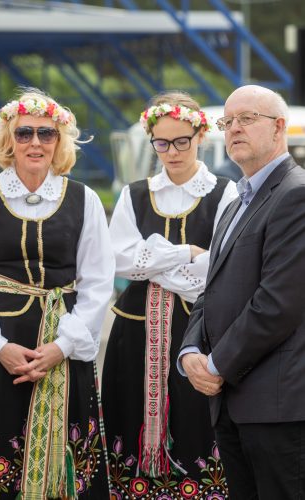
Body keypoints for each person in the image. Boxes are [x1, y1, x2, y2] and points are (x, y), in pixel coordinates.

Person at [0, 88, 115, 499]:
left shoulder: (83, 199)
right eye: (24, 134)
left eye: (46, 134)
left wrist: (63, 345)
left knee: (65, 466)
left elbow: (97, 283)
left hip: (61, 346)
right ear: (8, 141)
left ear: (60, 142)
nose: (35, 142)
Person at [102, 91, 238, 499]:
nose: (172, 151)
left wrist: (158, 261)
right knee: (128, 415)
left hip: (198, 329)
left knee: (197, 418)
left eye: (182, 140)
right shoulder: (136, 193)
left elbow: (220, 266)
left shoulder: (224, 192)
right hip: (136, 332)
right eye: (162, 143)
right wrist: (184, 253)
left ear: (200, 137)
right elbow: (120, 260)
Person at [179, 84, 305, 500]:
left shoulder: (296, 194)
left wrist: (216, 365)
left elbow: (278, 303)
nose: (234, 129)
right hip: (231, 403)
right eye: (227, 121)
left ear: (279, 127)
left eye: (247, 119)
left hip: (278, 406)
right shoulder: (235, 203)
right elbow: (210, 289)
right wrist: (190, 352)